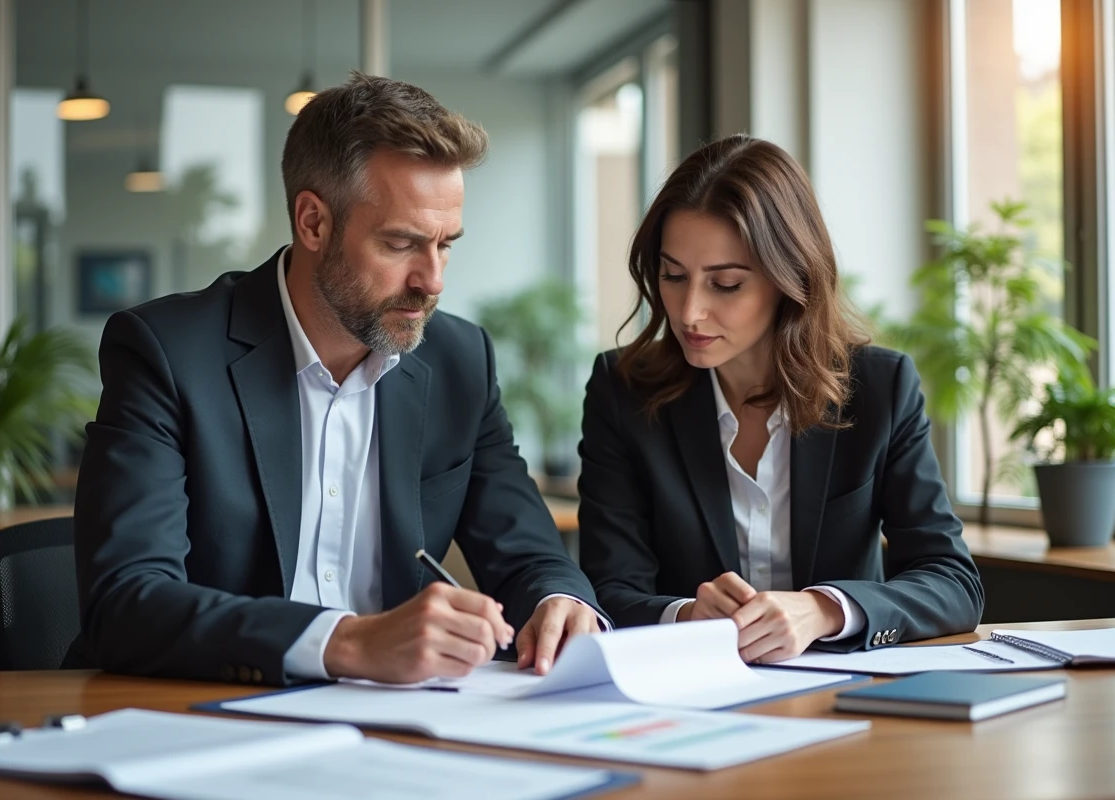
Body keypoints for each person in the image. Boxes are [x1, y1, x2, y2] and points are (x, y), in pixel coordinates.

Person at [67, 72, 606, 686]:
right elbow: (125, 602)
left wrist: (560, 602)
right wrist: (346, 642)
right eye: (401, 244)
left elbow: (531, 553)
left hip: (396, 726)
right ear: (314, 223)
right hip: (198, 714)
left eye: (446, 245)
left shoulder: (461, 360)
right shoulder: (167, 352)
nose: (432, 281)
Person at [578, 134, 983, 662]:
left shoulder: (880, 389)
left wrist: (824, 609)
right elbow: (606, 590)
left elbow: (953, 582)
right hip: (689, 698)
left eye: (725, 284)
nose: (688, 311)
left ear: (789, 277)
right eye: (673, 276)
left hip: (845, 704)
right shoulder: (623, 389)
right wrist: (683, 615)